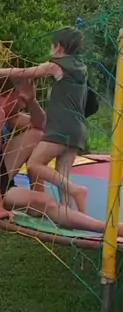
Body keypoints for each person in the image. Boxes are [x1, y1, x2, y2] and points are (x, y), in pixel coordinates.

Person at [0, 28, 89, 212]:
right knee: (63, 174)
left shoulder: (56, 65)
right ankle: (73, 214)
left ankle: (75, 191)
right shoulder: (80, 69)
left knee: (35, 162)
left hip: (62, 128)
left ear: (59, 47)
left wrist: (29, 98)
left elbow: (25, 72)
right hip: (78, 130)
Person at [0, 78, 46, 220]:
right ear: (11, 94)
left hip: (3, 171)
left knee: (37, 134)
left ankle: (38, 194)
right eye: (22, 98)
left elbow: (43, 126)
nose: (24, 104)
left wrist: (32, 101)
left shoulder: (11, 116)